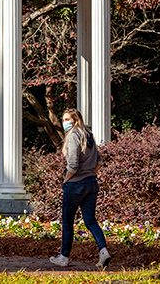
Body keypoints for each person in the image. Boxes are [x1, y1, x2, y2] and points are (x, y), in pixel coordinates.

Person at [49, 108, 111, 268]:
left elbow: (73, 165)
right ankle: (103, 250)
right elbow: (99, 161)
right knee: (90, 220)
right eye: (63, 120)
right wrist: (91, 173)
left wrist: (65, 180)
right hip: (91, 183)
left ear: (75, 120)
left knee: (68, 222)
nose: (64, 123)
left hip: (75, 185)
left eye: (66, 120)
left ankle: (64, 257)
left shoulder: (73, 137)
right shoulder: (88, 135)